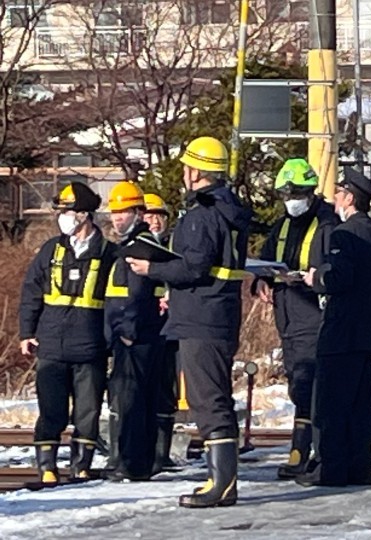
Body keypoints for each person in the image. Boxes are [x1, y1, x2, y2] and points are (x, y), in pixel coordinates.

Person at [127, 136, 252, 508]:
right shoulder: (228, 210)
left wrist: (154, 269)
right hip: (215, 312)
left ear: (196, 171)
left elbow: (195, 265)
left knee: (207, 399)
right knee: (211, 397)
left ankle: (222, 484)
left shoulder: (202, 214)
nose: (183, 173)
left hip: (202, 317)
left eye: (186, 167)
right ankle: (221, 479)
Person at [298, 168, 371, 487]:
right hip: (367, 332)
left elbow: (339, 279)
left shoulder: (344, 234)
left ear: (349, 198)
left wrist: (317, 278)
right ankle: (360, 468)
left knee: (330, 405)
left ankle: (330, 468)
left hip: (340, 332)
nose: (335, 199)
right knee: (358, 407)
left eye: (339, 194)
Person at [19, 182, 117, 486]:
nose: (63, 217)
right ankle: (47, 467)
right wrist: (26, 332)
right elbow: (31, 292)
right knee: (51, 411)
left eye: (68, 211)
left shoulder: (108, 254)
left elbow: (117, 301)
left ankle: (81, 466)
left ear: (85, 215)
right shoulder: (52, 250)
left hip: (90, 347)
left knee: (87, 413)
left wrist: (112, 340)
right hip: (51, 345)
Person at [255, 158, 338, 479]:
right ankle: (303, 450)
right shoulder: (283, 224)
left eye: (296, 192)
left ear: (309, 191)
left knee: (308, 385)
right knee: (298, 383)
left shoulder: (327, 223)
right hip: (287, 313)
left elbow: (330, 268)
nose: (291, 199)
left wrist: (308, 277)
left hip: (312, 314)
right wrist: (262, 280)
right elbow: (265, 259)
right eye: (286, 193)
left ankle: (304, 451)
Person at [103, 181, 166, 481]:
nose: (117, 218)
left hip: (137, 337)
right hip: (129, 335)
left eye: (124, 212)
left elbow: (137, 296)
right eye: (115, 212)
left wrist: (127, 332)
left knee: (133, 402)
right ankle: (136, 461)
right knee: (135, 400)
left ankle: (132, 462)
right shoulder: (126, 247)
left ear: (139, 213)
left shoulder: (142, 248)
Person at [143, 193, 179, 473]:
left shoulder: (175, 246)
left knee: (167, 389)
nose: (155, 221)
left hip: (171, 327)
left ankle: (161, 452)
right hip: (144, 327)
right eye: (149, 215)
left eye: (160, 216)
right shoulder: (135, 248)